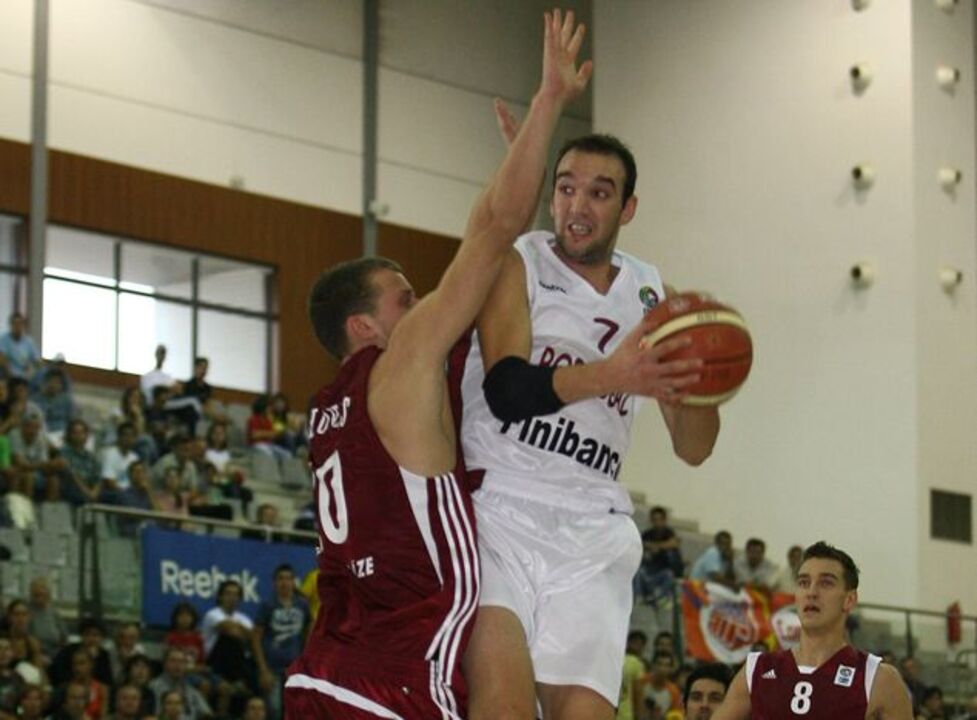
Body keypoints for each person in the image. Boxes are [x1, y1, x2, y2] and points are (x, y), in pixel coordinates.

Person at [284, 10, 591, 720]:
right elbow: (491, 231)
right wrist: (548, 102)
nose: (419, 306)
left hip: (331, 668)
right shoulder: (399, 368)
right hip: (392, 679)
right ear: (364, 326)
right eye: (402, 300)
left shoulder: (330, 406)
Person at [460, 97, 721, 720]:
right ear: (551, 197)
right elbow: (507, 391)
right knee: (503, 707)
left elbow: (694, 448)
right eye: (568, 188)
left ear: (627, 209)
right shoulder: (518, 260)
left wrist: (705, 377)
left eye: (600, 193)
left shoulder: (654, 294)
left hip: (592, 515)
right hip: (502, 505)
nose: (579, 205)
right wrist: (614, 373)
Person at [711, 541, 913, 719]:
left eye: (826, 583)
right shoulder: (757, 669)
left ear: (849, 600)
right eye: (803, 583)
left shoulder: (879, 678)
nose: (811, 592)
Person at [252, 564, 309, 719]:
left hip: (295, 669)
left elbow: (307, 635)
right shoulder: (267, 605)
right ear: (274, 582)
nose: (284, 582)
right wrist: (263, 669)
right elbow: (256, 638)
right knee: (274, 710)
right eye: (280, 579)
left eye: (288, 578)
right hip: (272, 668)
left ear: (294, 582)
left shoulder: (302, 605)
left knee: (295, 710)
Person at [635, 506, 683, 606]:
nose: (657, 523)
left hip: (662, 571)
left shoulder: (669, 533)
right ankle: (641, 596)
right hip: (648, 570)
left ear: (664, 520)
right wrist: (656, 547)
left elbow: (674, 543)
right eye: (654, 520)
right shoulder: (647, 534)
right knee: (639, 571)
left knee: (669, 573)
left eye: (660, 520)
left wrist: (656, 546)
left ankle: (662, 597)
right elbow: (641, 545)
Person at [0, 313, 40, 380]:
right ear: (11, 325)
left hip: (25, 376)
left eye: (20, 324)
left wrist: (32, 372)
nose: (17, 327)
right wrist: (10, 376)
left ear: (24, 325)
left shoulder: (29, 342)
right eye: (15, 324)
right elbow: (2, 358)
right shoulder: (3, 339)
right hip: (8, 376)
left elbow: (37, 360)